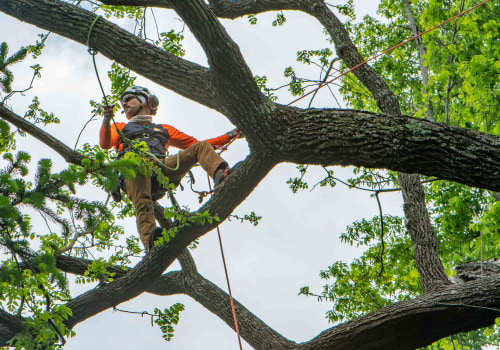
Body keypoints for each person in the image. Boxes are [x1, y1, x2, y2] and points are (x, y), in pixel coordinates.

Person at [100, 86, 242, 251]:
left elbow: (200, 145)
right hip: (134, 171)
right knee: (143, 204)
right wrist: (106, 121)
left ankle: (220, 173)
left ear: (145, 100)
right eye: (122, 101)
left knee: (199, 147)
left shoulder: (164, 130)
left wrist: (231, 135)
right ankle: (152, 244)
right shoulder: (121, 127)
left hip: (160, 168)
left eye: (128, 98)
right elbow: (105, 143)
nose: (123, 104)